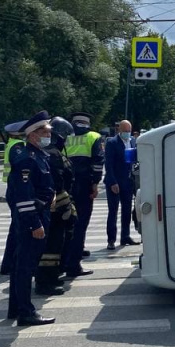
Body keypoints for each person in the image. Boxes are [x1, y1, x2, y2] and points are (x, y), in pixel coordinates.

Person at [5, 111, 56, 326]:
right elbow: (22, 196)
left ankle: (16, 308)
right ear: (33, 134)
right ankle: (25, 312)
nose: (48, 136)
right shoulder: (27, 159)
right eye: (45, 132)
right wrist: (35, 223)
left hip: (37, 214)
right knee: (25, 267)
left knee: (22, 265)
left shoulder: (38, 156)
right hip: (31, 219)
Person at [36, 116, 75, 295]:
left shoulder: (47, 152)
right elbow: (60, 184)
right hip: (54, 211)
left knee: (53, 246)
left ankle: (50, 277)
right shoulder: (53, 155)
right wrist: (67, 207)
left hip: (51, 209)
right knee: (51, 248)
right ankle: (45, 283)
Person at [65, 112, 105, 263]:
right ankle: (74, 260)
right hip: (84, 183)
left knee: (69, 219)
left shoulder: (66, 136)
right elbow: (97, 163)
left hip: (66, 184)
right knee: (81, 221)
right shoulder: (93, 137)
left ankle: (73, 250)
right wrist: (95, 183)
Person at [0, 118, 27, 276]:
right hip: (16, 190)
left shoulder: (13, 144)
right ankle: (9, 264)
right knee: (17, 229)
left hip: (12, 188)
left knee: (15, 228)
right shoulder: (17, 146)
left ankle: (8, 264)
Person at [104, 119, 138, 248]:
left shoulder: (133, 141)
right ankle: (111, 240)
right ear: (119, 130)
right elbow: (109, 164)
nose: (127, 133)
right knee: (113, 211)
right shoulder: (112, 143)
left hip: (128, 181)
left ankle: (125, 236)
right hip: (114, 182)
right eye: (125, 131)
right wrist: (113, 182)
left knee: (126, 210)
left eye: (129, 131)